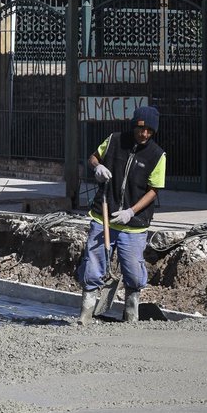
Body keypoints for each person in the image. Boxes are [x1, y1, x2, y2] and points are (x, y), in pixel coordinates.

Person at [77, 105, 166, 324]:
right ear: (134, 125)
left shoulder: (157, 155)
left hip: (134, 224)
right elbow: (94, 157)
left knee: (134, 273)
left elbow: (154, 190)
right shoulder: (115, 140)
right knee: (93, 266)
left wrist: (131, 212)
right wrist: (97, 167)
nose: (143, 134)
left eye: (149, 131)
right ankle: (86, 314)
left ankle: (131, 315)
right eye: (140, 129)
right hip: (103, 217)